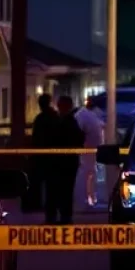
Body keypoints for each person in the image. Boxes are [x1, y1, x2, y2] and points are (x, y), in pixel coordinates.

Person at [46, 95, 85, 225]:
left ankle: (61, 217)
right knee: (61, 191)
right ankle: (60, 217)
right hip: (63, 163)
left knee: (60, 191)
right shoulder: (67, 121)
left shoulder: (66, 121)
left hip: (62, 163)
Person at [30, 94, 60, 215]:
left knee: (48, 185)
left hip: (46, 157)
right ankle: (49, 210)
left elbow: (36, 138)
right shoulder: (53, 117)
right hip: (50, 157)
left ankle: (49, 210)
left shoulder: (42, 118)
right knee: (50, 186)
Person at [75, 96, 105, 208]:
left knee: (91, 174)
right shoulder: (82, 115)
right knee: (88, 174)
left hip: (93, 150)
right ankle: (87, 199)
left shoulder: (90, 114)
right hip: (87, 149)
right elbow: (80, 131)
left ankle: (91, 198)